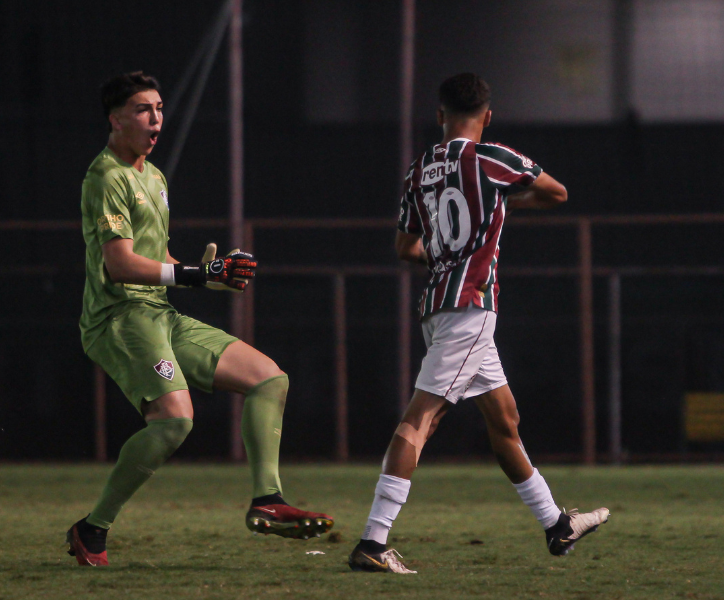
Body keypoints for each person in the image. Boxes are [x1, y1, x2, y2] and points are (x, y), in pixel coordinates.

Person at [66, 71, 333, 567]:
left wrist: (210, 279)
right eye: (145, 109)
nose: (156, 118)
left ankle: (266, 500)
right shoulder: (106, 177)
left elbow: (158, 256)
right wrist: (193, 274)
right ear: (116, 117)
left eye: (160, 108)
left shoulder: (154, 176)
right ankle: (92, 528)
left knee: (270, 379)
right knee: (174, 422)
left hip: (158, 313)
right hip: (119, 317)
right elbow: (120, 265)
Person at [348, 73, 609, 574]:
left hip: (438, 305)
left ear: (440, 115)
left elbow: (406, 248)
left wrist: (446, 254)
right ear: (487, 117)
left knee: (503, 420)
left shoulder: (418, 169)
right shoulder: (493, 158)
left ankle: (556, 524)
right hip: (471, 306)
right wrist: (503, 203)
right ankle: (373, 542)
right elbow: (557, 193)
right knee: (420, 420)